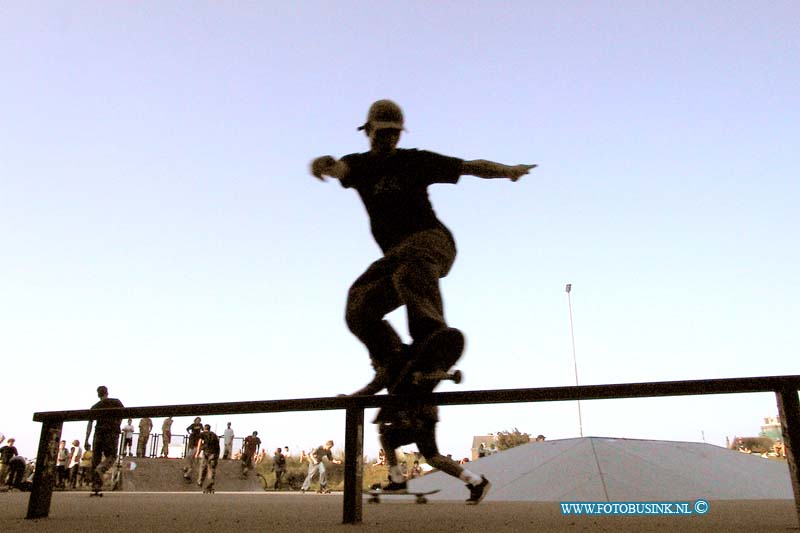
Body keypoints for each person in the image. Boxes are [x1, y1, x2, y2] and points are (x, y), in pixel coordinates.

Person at [310, 99, 536, 395]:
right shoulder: (360, 165)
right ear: (368, 131)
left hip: (432, 241)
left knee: (408, 270)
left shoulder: (415, 160)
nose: (389, 139)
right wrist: (325, 165)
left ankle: (431, 336)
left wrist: (508, 170)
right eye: (382, 133)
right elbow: (339, 168)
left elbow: (468, 167)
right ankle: (391, 362)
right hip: (396, 257)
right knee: (359, 304)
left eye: (395, 134)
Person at [375, 402, 491, 505]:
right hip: (422, 416)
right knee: (432, 458)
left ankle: (398, 481)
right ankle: (476, 481)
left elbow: (379, 385)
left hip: (418, 418)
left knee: (387, 439)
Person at [85, 385, 124, 492]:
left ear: (98, 394)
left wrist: (86, 439)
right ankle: (101, 469)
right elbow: (123, 414)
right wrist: (117, 425)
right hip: (111, 433)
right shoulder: (116, 402)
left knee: (96, 458)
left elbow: (89, 424)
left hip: (98, 433)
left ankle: (96, 485)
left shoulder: (95, 406)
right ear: (107, 392)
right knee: (111, 456)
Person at [195, 424, 220, 491]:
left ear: (204, 428)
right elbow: (218, 445)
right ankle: (210, 482)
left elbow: (200, 442)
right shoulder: (214, 435)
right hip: (214, 453)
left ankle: (200, 481)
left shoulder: (203, 434)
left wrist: (197, 453)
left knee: (203, 467)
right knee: (211, 468)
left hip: (206, 452)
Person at [183, 417, 203, 481]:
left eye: (199, 420)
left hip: (197, 440)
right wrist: (190, 433)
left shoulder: (200, 425)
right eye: (197, 420)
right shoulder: (193, 425)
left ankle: (188, 472)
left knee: (193, 458)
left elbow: (203, 430)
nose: (198, 421)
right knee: (189, 455)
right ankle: (186, 467)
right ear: (195, 420)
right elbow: (187, 429)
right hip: (192, 440)